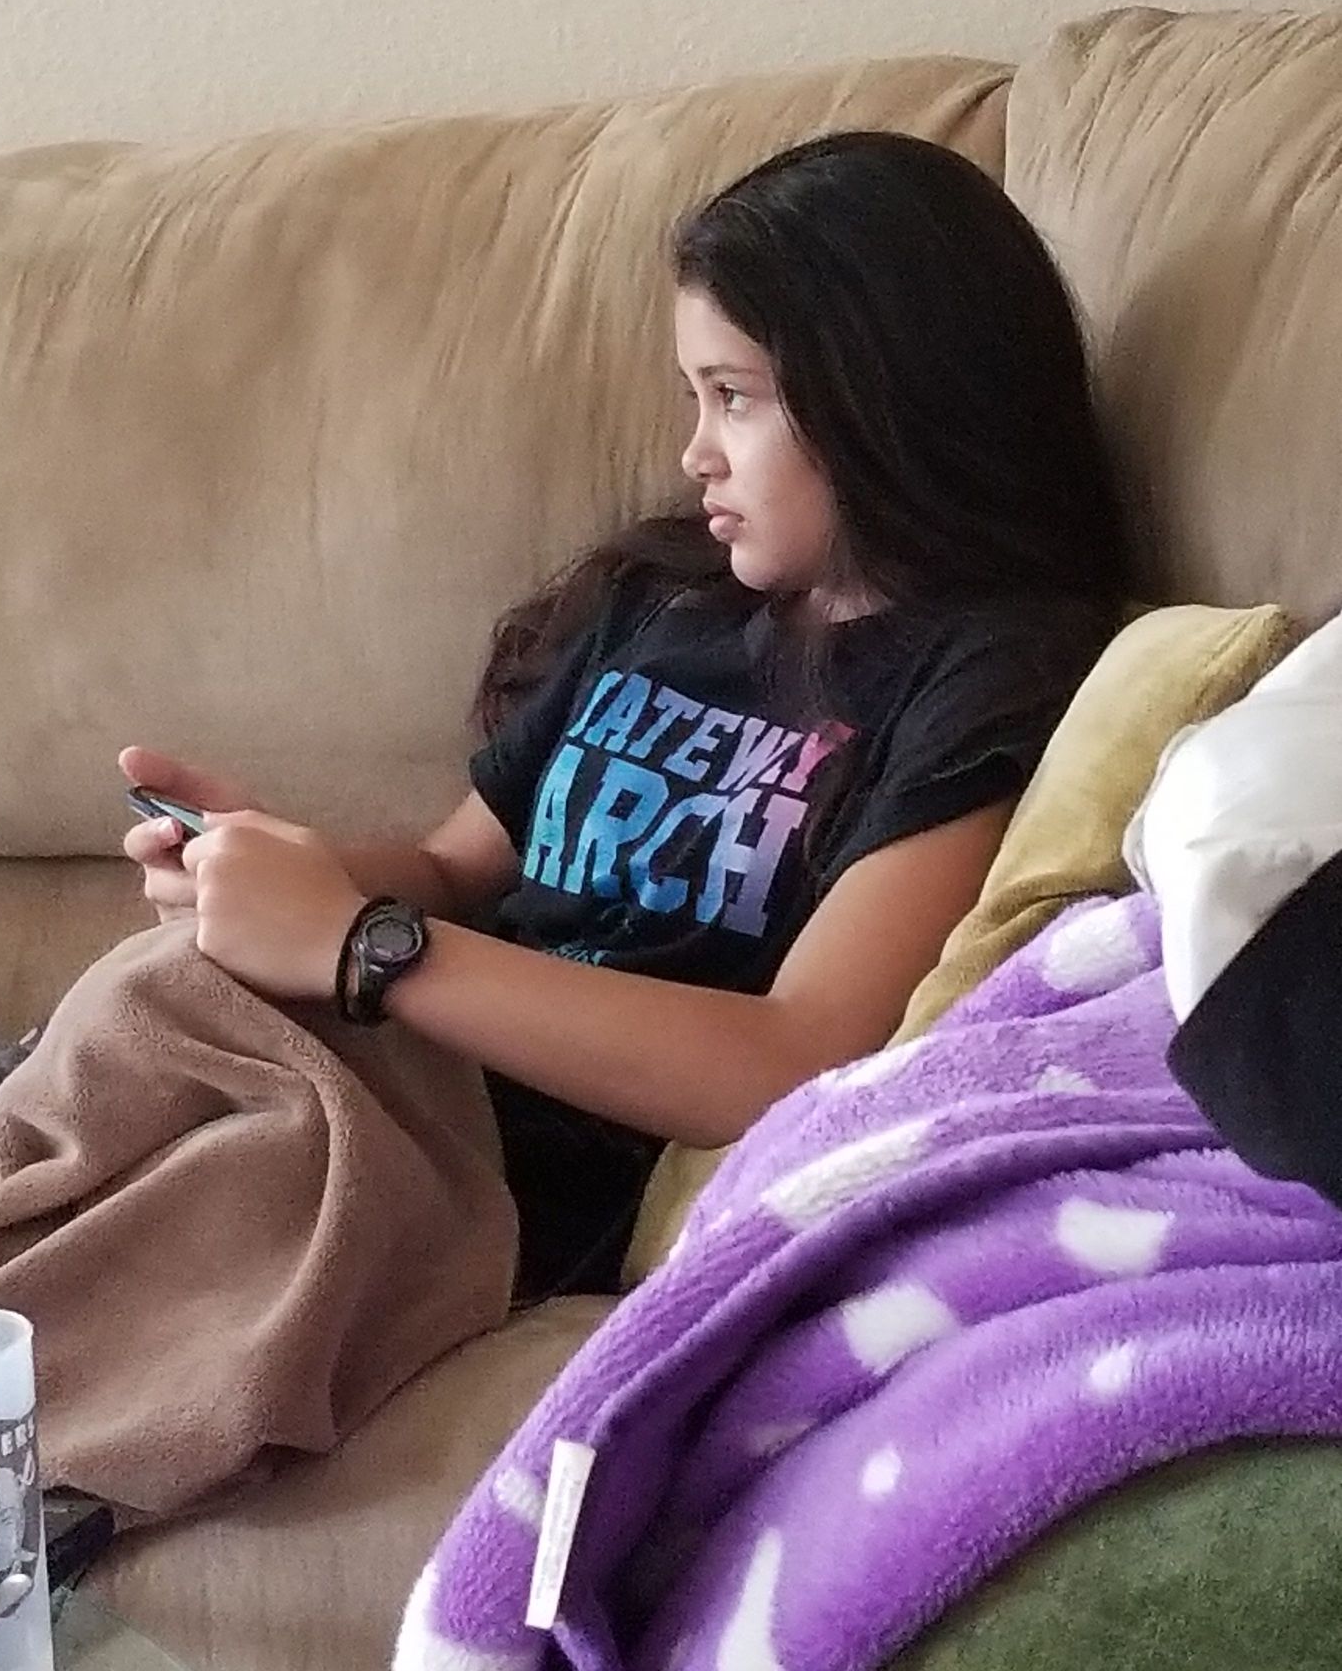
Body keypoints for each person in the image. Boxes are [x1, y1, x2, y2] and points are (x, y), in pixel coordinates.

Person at [119, 130, 1131, 1299]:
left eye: (733, 396)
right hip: (401, 1070)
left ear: (886, 398)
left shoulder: (990, 674)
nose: (695, 451)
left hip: (527, 1181)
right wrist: (275, 868)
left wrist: (362, 945)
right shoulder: (661, 598)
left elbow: (797, 1053)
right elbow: (453, 870)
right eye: (695, 396)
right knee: (150, 1004)